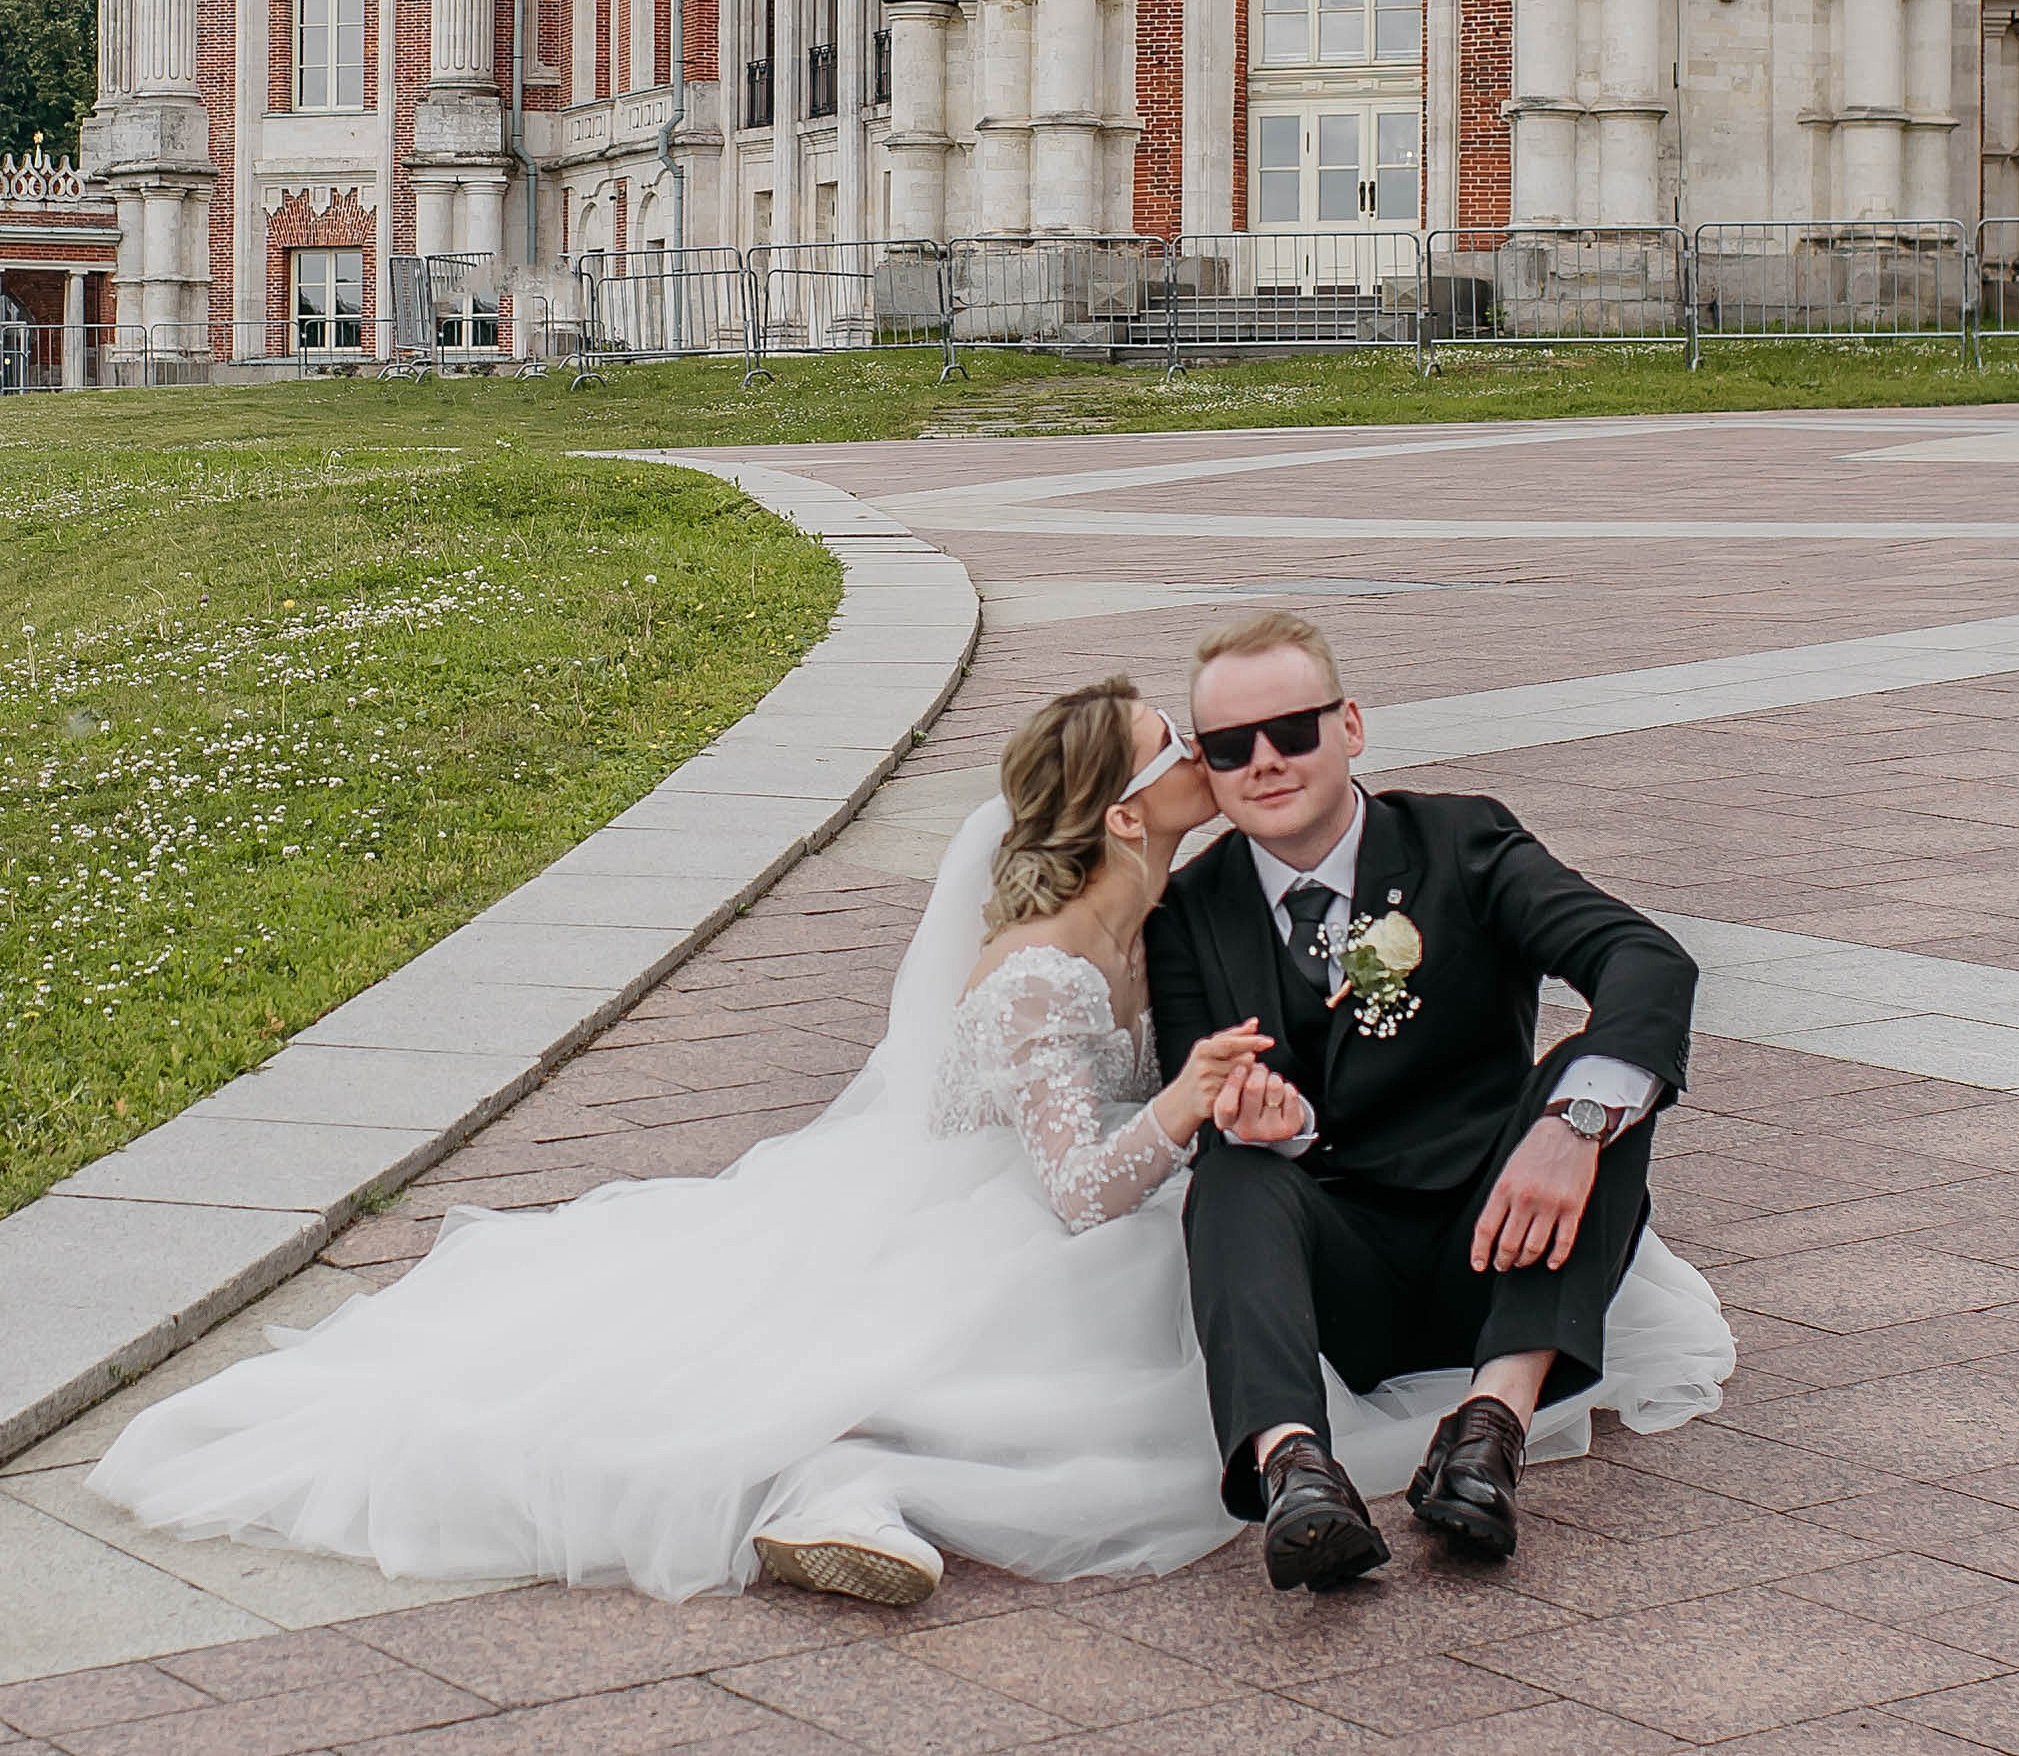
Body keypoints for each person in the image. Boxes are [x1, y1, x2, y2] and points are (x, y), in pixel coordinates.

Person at [93, 669, 1729, 1607]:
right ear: (1119, 805)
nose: (1220, 767)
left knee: (1205, 1286)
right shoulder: (1037, 975)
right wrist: (1192, 1100)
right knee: (1029, 1396)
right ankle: (848, 1482)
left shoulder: (1164, 914)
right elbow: (1085, 1180)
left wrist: (1276, 1085)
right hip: (1025, 1223)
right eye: (1187, 749)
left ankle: (866, 1470)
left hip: (1080, 1197)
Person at [1148, 609, 1711, 1596]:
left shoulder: (1463, 840)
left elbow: (1642, 960)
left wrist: (1568, 1126)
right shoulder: (1189, 912)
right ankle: (1295, 1471)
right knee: (1227, 1173)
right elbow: (1201, 1087)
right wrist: (1259, 1120)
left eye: (1292, 729)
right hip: (1342, 1280)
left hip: (1499, 1242)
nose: (1265, 761)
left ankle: (1488, 1431)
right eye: (1230, 746)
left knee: (1603, 1079)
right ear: (1207, 762)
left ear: (1350, 725)